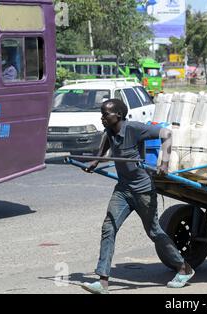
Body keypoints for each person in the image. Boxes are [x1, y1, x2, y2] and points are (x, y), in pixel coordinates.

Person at [82, 99, 194, 294]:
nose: (102, 117)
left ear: (118, 115)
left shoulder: (134, 128)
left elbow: (166, 133)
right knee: (109, 227)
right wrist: (96, 160)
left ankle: (184, 268)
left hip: (143, 190)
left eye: (105, 114)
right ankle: (103, 281)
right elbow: (107, 140)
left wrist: (164, 163)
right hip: (123, 189)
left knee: (154, 232)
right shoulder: (110, 129)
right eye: (101, 113)